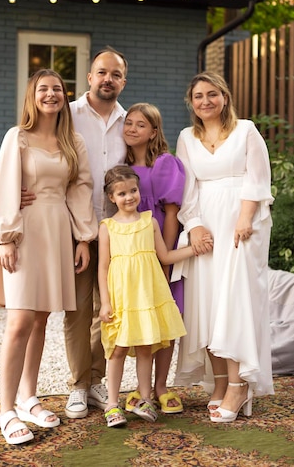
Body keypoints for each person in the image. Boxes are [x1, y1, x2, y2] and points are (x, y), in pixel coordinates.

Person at [0, 69, 97, 445]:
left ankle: (28, 396)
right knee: (19, 321)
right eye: (43, 89)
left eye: (57, 90)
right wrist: (6, 238)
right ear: (32, 96)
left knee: (41, 321)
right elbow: (4, 185)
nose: (51, 95)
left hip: (58, 231)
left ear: (65, 97)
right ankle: (6, 411)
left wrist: (83, 238)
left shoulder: (73, 141)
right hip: (24, 231)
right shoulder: (17, 137)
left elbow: (81, 188)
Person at [21, 47, 128, 418]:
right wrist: (21, 190)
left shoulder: (128, 123)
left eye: (115, 74)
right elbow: (36, 151)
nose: (107, 79)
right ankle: (78, 384)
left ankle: (97, 379)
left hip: (116, 229)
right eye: (101, 72)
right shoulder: (68, 113)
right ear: (89, 77)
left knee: (108, 310)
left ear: (123, 81)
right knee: (77, 310)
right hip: (71, 227)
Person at [174, 71, 274, 423]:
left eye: (212, 94)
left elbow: (259, 179)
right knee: (209, 303)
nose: (206, 101)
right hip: (206, 226)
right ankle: (218, 381)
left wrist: (245, 218)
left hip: (241, 223)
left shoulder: (246, 130)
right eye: (198, 96)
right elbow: (188, 187)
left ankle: (239, 383)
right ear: (192, 103)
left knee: (236, 301)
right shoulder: (187, 137)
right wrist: (195, 224)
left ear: (225, 97)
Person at [98, 165, 212, 428]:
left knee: (145, 347)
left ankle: (145, 398)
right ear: (111, 197)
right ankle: (112, 404)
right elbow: (103, 267)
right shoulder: (107, 227)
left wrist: (194, 249)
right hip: (122, 298)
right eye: (122, 193)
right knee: (117, 349)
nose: (129, 197)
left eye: (133, 190)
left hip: (146, 296)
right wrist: (105, 302)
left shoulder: (150, 222)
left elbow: (165, 257)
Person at [123, 103, 186, 414]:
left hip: (160, 251)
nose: (133, 129)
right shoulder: (121, 168)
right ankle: (141, 385)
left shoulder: (164, 163)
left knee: (165, 318)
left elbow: (171, 214)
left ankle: (161, 385)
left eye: (141, 125)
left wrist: (167, 260)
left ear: (154, 132)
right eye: (129, 123)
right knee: (139, 315)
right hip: (132, 255)